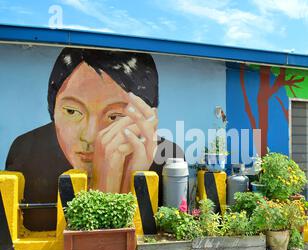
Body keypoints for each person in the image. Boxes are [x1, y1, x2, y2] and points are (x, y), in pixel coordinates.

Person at [5, 48, 183, 231]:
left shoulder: (169, 158)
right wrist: (104, 188)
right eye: (72, 112)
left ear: (146, 119)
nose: (89, 137)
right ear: (54, 110)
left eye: (114, 116)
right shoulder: (27, 151)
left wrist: (133, 182)